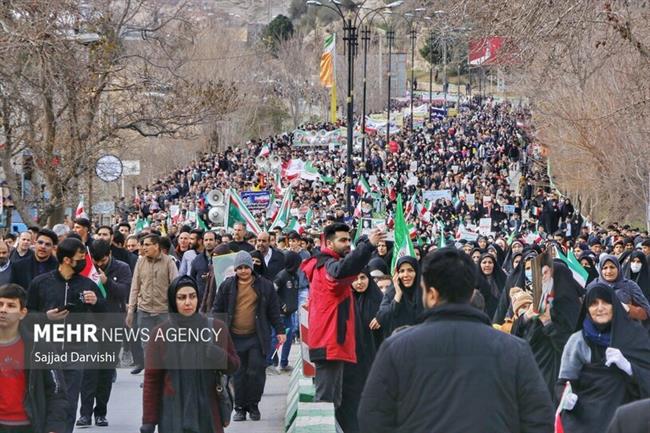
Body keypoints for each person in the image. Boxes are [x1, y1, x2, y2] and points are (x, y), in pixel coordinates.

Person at [358, 248, 554, 433]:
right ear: (470, 293)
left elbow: (373, 416)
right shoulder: (514, 349)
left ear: (431, 294)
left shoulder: (397, 348)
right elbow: (539, 418)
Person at [300, 224, 383, 416]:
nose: (347, 244)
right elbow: (342, 270)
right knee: (325, 405)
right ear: (329, 243)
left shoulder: (325, 264)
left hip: (333, 345)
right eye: (342, 240)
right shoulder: (326, 265)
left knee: (333, 404)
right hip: (330, 345)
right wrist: (368, 246)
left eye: (349, 240)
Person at [26, 237, 107, 433]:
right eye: (80, 258)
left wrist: (96, 302)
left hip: (74, 351)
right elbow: (27, 316)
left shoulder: (87, 284)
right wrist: (45, 317)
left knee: (68, 404)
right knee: (43, 401)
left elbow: (105, 316)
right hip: (44, 352)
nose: (84, 262)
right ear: (67, 260)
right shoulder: (40, 283)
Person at [140, 276, 240, 433]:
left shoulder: (216, 328)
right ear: (173, 301)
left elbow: (234, 366)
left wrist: (218, 355)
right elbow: (152, 379)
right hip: (173, 414)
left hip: (208, 413)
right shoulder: (160, 333)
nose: (188, 302)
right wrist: (149, 421)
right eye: (181, 298)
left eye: (192, 296)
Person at [557, 283, 650, 433]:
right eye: (594, 303)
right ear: (587, 308)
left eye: (605, 302)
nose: (600, 308)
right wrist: (565, 398)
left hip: (626, 421)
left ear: (614, 305)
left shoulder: (635, 336)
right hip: (585, 422)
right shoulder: (578, 340)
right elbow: (563, 382)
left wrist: (629, 367)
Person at [211, 251, 285, 422]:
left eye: (246, 267)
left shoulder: (265, 286)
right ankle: (240, 408)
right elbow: (217, 310)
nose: (243, 271)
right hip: (234, 337)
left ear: (251, 268)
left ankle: (253, 405)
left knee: (256, 371)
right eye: (240, 268)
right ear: (235, 269)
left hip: (256, 337)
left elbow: (274, 310)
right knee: (238, 373)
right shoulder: (227, 286)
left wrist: (280, 331)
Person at [77, 240, 132, 428]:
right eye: (96, 260)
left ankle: (101, 412)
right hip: (91, 326)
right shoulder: (86, 267)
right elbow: (78, 291)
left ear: (110, 254)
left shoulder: (122, 268)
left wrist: (107, 282)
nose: (99, 264)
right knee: (89, 372)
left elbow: (124, 292)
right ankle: (84, 414)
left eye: (103, 260)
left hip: (112, 325)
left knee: (105, 372)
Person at [0, 284, 68, 433]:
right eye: (0, 304)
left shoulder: (40, 347)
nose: (3, 309)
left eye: (11, 305)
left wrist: (54, 428)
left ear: (22, 313)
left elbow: (57, 391)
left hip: (29, 425)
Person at [511, 262, 583, 401]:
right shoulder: (540, 303)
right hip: (532, 372)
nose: (543, 281)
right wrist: (526, 317)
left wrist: (548, 322)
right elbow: (516, 336)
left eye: (548, 277)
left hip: (556, 377)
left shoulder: (571, 309)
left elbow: (570, 346)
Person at [339, 268, 383, 433]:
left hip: (373, 361)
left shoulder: (378, 301)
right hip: (350, 364)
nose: (359, 282)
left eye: (363, 277)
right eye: (355, 278)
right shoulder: (345, 301)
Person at [126, 234, 179, 371]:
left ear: (156, 246)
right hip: (144, 312)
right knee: (147, 346)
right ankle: (151, 377)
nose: (144, 247)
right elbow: (135, 287)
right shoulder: (140, 262)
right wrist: (131, 310)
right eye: (143, 245)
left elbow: (176, 286)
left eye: (147, 244)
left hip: (164, 312)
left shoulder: (169, 262)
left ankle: (166, 376)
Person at [587, 254, 650, 321]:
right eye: (605, 268)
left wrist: (627, 308)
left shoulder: (630, 285)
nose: (609, 271)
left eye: (612, 267)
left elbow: (646, 311)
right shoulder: (593, 286)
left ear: (618, 268)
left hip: (626, 328)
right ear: (600, 270)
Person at [267, 251, 301, 372]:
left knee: (289, 336)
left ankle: (284, 363)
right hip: (280, 314)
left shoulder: (295, 276)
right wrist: (281, 305)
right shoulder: (281, 276)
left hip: (290, 314)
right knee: (276, 338)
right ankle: (268, 363)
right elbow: (272, 292)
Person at [375, 256, 423, 337]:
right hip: (398, 342)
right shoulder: (391, 292)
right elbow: (381, 318)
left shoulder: (425, 292)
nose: (405, 275)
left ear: (417, 272)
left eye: (410, 270)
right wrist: (397, 295)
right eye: (401, 271)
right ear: (397, 274)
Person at [476, 253, 507, 318]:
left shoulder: (502, 279)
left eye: (490, 262)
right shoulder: (474, 282)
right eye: (484, 262)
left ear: (494, 265)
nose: (487, 265)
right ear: (480, 265)